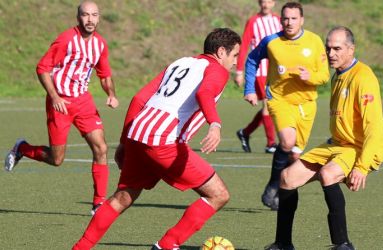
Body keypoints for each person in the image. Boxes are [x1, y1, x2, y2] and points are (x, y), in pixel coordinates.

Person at [72, 28, 241, 250]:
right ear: (221, 52)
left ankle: (80, 248)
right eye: (235, 55)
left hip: (138, 133)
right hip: (163, 140)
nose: (236, 62)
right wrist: (215, 124)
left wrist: (124, 142)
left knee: (122, 197)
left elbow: (139, 97)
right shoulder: (217, 70)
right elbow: (205, 94)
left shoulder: (181, 62)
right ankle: (167, 244)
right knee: (219, 195)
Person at [265, 26, 383, 250]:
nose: (331, 54)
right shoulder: (338, 75)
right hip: (337, 145)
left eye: (337, 48)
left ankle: (343, 245)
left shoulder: (364, 77)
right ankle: (283, 244)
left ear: (351, 49)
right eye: (328, 48)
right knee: (287, 177)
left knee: (328, 174)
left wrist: (362, 166)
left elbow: (374, 126)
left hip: (358, 148)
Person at [4, 1, 119, 214]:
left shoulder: (100, 44)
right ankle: (22, 148)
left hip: (84, 102)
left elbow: (105, 75)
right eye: (85, 15)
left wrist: (111, 94)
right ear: (78, 17)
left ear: (99, 18)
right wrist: (54, 96)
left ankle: (98, 202)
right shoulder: (66, 40)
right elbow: (42, 68)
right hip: (61, 104)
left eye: (94, 15)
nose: (90, 19)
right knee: (56, 160)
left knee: (101, 148)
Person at [244, 2, 330, 210]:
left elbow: (325, 75)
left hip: (307, 104)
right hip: (279, 100)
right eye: (286, 18)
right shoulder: (272, 41)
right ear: (281, 20)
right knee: (287, 141)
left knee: (295, 155)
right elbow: (251, 60)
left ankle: (280, 191)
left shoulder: (314, 41)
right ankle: (272, 188)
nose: (289, 22)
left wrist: (311, 77)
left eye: (293, 18)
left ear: (302, 20)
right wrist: (249, 88)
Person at [235, 0, 281, 154]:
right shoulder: (253, 21)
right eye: (262, 1)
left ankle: (245, 132)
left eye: (268, 1)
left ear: (274, 3)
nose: (265, 4)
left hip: (277, 70)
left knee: (273, 107)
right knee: (268, 105)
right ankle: (271, 144)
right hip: (261, 70)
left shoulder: (279, 20)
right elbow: (245, 45)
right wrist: (239, 70)